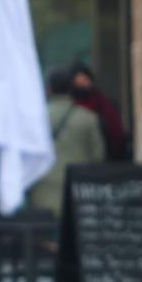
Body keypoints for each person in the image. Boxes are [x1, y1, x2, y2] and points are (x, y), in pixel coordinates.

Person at [27, 69, 106, 216]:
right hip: (78, 192)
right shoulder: (89, 119)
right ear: (71, 89)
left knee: (46, 236)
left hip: (43, 191)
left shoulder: (35, 120)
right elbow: (98, 158)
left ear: (48, 89)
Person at [70, 62, 130, 161]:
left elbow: (117, 135)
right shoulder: (70, 108)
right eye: (78, 82)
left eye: (85, 80)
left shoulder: (104, 104)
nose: (83, 85)